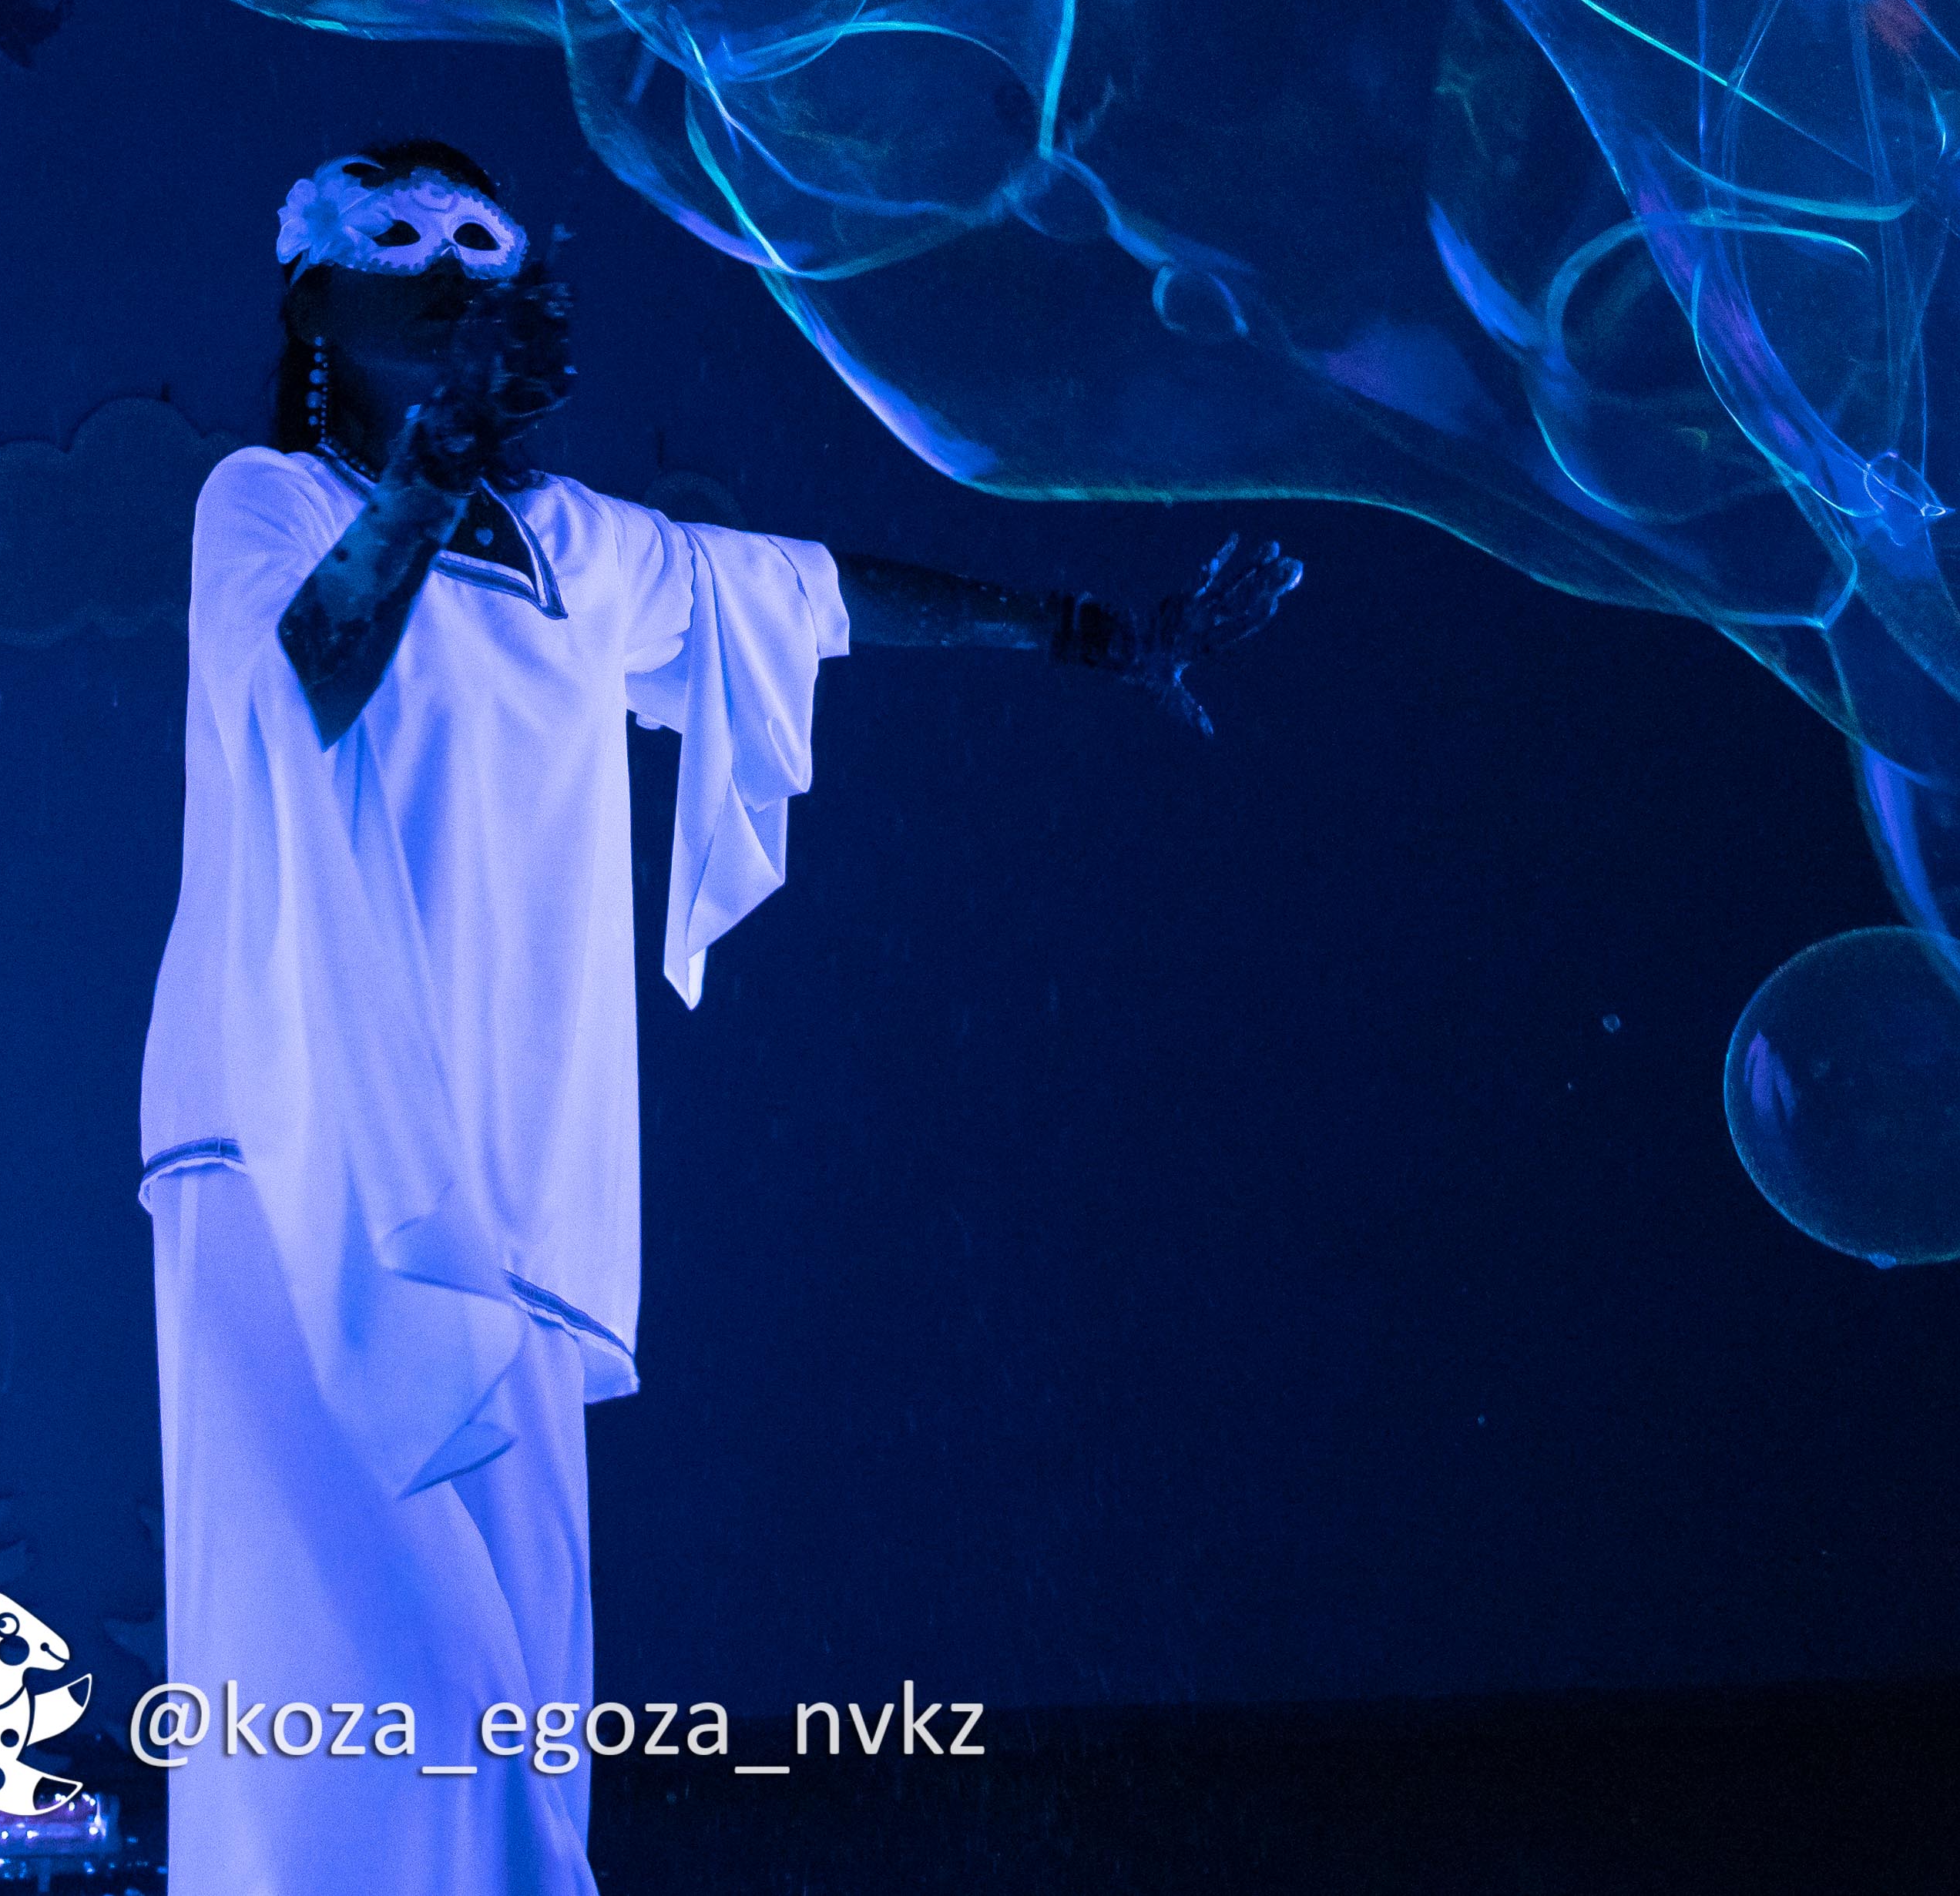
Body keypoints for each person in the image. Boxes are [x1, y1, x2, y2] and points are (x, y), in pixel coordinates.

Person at [136, 141, 1297, 1893]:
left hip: (508, 1180)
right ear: (312, 298)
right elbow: (303, 679)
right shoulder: (269, 501)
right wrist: (434, 461)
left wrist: (1093, 633)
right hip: (290, 1147)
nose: (443, 270)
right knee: (379, 1673)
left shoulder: (573, 547)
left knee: (521, 1700)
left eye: (479, 245)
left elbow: (812, 594)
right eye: (395, 240)